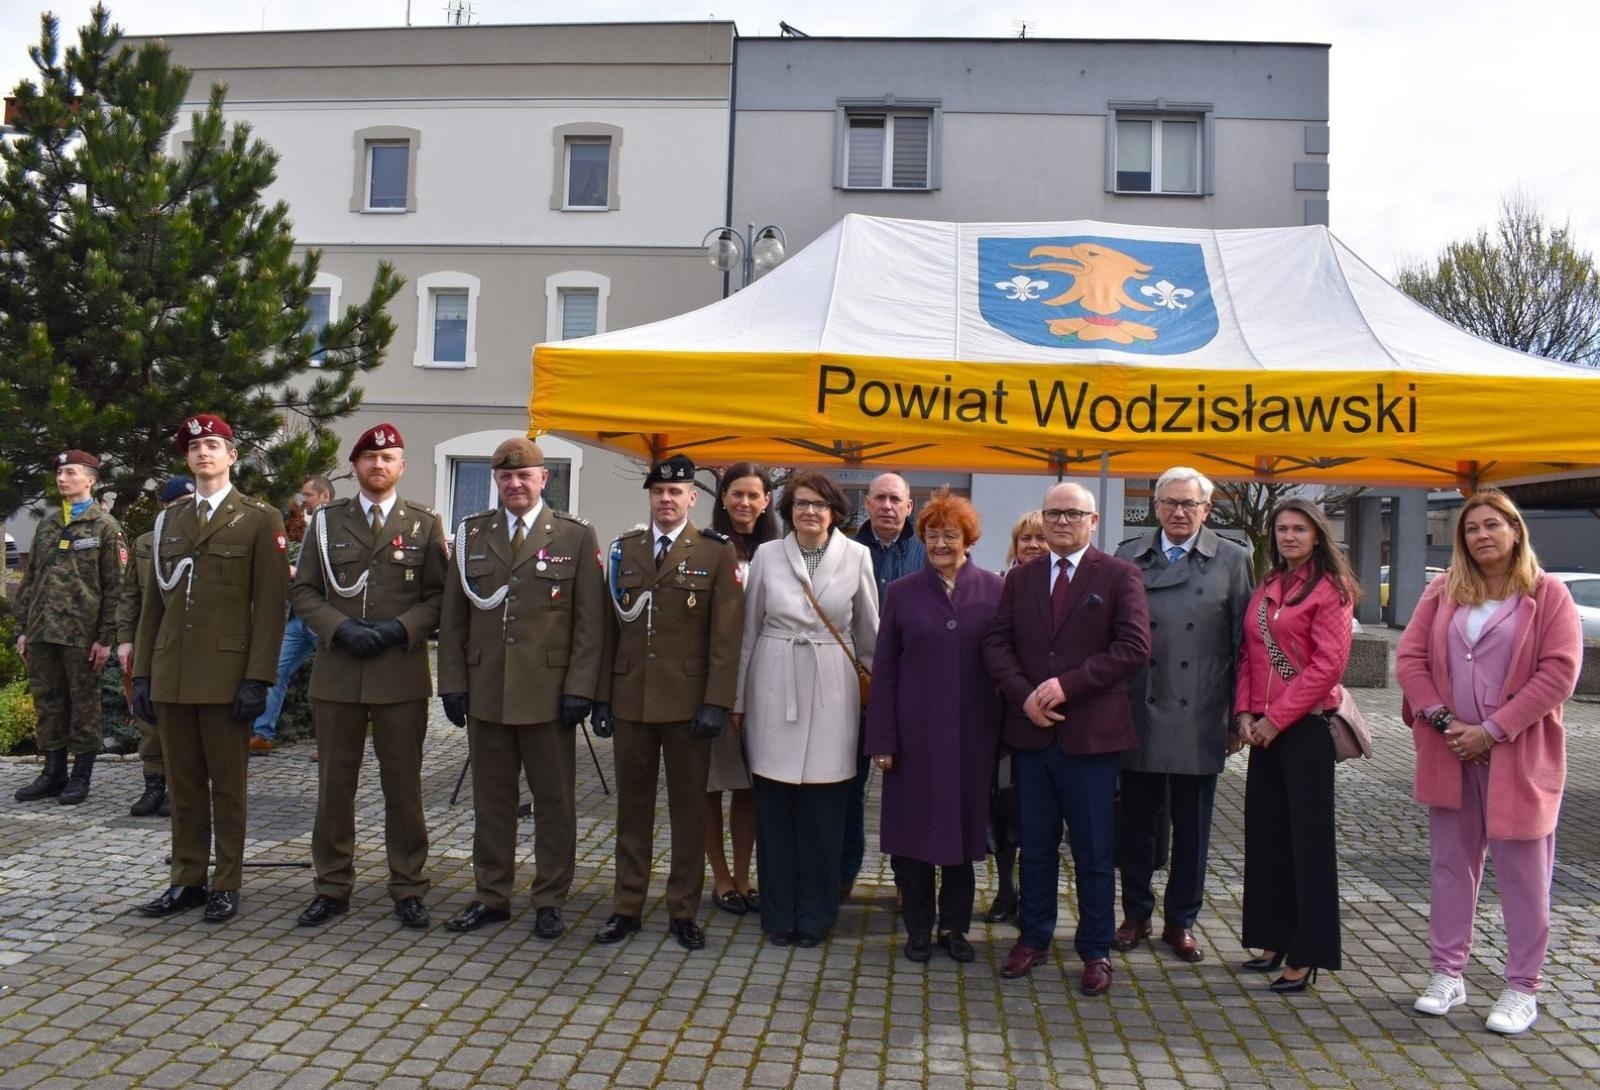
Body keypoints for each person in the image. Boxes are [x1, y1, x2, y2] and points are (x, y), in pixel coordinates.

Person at [1397, 489, 1580, 1035]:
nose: (1482, 535)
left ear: (1515, 530)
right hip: (1450, 752)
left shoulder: (1548, 596)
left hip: (1518, 757)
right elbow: (1408, 658)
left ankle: (1524, 987)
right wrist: (1437, 717)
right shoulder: (1443, 590)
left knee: (1525, 877)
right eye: (1472, 527)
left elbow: (1559, 673)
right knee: (1451, 869)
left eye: (1493, 525)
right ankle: (1447, 973)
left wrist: (1493, 730)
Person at [981, 482, 1150, 995]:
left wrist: (1065, 686)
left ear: (1093, 521)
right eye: (1053, 513)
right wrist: (1023, 694)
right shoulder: (1022, 577)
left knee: (1095, 852)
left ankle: (1095, 950)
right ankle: (1033, 937)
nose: (1060, 522)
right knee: (1034, 847)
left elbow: (1135, 647)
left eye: (1071, 514)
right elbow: (996, 641)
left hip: (1090, 742)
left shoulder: (1120, 574)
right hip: (1032, 736)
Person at [437, 437, 607, 938]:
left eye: (524, 475)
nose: (514, 483)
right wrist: (452, 682)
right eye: (505, 476)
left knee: (554, 802)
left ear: (543, 480)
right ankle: (492, 894)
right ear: (496, 481)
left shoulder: (574, 535)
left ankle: (550, 897)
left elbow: (589, 622)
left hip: (550, 693)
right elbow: (454, 617)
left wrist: (581, 686)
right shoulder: (472, 533)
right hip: (487, 687)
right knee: (491, 800)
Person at [131, 414, 288, 923]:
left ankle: (227, 881)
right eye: (196, 446)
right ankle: (187, 878)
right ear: (186, 458)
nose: (204, 453)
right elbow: (154, 604)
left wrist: (259, 676)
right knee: (183, 784)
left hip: (227, 674)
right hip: (173, 671)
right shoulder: (169, 521)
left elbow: (269, 606)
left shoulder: (260, 518)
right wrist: (142, 675)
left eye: (214, 445)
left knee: (228, 786)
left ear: (232, 455)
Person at [291, 424, 448, 930]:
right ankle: (332, 885)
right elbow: (304, 592)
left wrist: (399, 629)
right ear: (356, 466)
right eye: (370, 458)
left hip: (399, 673)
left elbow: (439, 598)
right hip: (339, 673)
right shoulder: (325, 523)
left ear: (402, 467)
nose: (379, 465)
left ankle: (408, 885)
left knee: (403, 786)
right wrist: (339, 630)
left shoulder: (424, 525)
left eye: (389, 458)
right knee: (335, 786)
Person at [591, 454, 743, 951]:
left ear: (692, 499)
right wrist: (602, 698)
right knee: (632, 811)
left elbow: (726, 637)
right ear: (650, 498)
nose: (666, 500)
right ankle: (626, 906)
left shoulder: (715, 552)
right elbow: (608, 629)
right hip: (631, 699)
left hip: (688, 705)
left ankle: (683, 909)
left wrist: (716, 702)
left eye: (676, 493)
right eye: (659, 492)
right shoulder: (623, 550)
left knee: (687, 813)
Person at [1112, 467, 1254, 964]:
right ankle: (1134, 913)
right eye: (1169, 503)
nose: (1178, 512)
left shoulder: (1234, 560)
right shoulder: (1128, 555)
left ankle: (1181, 920)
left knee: (1192, 828)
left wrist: (1239, 714)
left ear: (1206, 510)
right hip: (1139, 709)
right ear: (1155, 506)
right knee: (1134, 824)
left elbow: (1244, 644)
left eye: (1188, 505)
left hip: (1201, 710)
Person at [734, 471, 878, 946]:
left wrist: (872, 700)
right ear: (786, 510)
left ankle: (817, 915)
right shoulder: (768, 555)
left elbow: (869, 637)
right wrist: (738, 700)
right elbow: (749, 632)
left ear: (835, 510)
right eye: (799, 504)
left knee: (825, 809)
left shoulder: (857, 556)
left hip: (832, 684)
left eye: (819, 504)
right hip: (773, 681)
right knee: (774, 807)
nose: (809, 512)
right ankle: (778, 913)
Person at [866, 489, 1003, 963]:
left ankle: (955, 928)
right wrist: (881, 739)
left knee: (963, 838)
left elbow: (1003, 665)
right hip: (914, 738)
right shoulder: (901, 592)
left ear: (969, 539)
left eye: (951, 534)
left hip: (972, 738)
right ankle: (918, 928)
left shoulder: (994, 589)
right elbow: (884, 672)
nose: (941, 543)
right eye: (932, 535)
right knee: (913, 839)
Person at [1234, 497, 1358, 993]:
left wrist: (1276, 720)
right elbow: (1250, 652)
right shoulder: (1267, 585)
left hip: (1304, 728)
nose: (1289, 537)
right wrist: (1245, 711)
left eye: (1299, 529)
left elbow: (1328, 667)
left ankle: (1306, 954)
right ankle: (1272, 937)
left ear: (1317, 535)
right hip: (1262, 727)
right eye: (1282, 529)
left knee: (1307, 845)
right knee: (1266, 838)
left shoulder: (1332, 590)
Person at [13, 450, 126, 806]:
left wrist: (105, 638)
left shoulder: (105, 526)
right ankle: (53, 772)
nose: (62, 478)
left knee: (84, 704)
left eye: (70, 472)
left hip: (82, 635)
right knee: (49, 702)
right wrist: (23, 629)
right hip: (42, 631)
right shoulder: (48, 525)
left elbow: (115, 587)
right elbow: (30, 580)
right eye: (59, 471)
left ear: (90, 480)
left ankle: (81, 776)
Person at [843, 472, 926, 901]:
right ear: (868, 504)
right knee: (848, 787)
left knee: (906, 792)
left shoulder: (926, 554)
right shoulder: (844, 552)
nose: (888, 506)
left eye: (896, 499)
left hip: (910, 693)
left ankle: (906, 882)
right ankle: (842, 876)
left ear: (909, 506)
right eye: (880, 498)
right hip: (853, 690)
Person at [704, 463, 779, 917]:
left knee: (749, 787)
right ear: (723, 497)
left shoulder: (782, 551)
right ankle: (719, 876)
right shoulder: (705, 546)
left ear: (767, 500)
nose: (744, 503)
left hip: (764, 683)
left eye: (753, 495)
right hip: (713, 682)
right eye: (737, 494)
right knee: (711, 784)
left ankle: (746, 874)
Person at [116, 476, 196, 817]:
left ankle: (183, 789)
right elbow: (130, 596)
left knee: (186, 717)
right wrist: (124, 640)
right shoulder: (145, 543)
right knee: (149, 717)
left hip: (191, 642)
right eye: (177, 505)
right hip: (151, 642)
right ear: (164, 507)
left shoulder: (201, 540)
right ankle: (153, 785)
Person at [984, 510, 1048, 923]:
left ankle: (1035, 895)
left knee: (1038, 814)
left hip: (1049, 716)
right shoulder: (998, 586)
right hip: (1004, 717)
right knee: (1003, 808)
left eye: (1040, 538)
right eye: (1025, 538)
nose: (1032, 545)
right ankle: (1006, 890)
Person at [251, 474, 334, 752]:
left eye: (309, 495)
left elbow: (333, 573)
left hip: (322, 616)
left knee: (329, 680)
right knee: (275, 670)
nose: (303, 500)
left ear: (325, 496)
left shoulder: (337, 526)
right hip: (298, 617)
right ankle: (262, 734)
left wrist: (293, 572)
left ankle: (331, 744)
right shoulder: (314, 525)